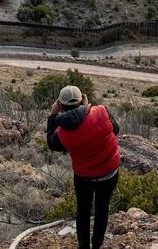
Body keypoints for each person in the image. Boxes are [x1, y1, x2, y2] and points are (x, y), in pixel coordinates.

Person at [46, 85, 120, 249]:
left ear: (60, 105)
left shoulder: (62, 134)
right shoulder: (102, 111)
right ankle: (97, 246)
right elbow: (116, 129)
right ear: (82, 100)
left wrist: (52, 115)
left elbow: (51, 143)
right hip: (109, 172)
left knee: (83, 211)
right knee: (102, 209)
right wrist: (88, 107)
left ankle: (84, 247)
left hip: (84, 177)